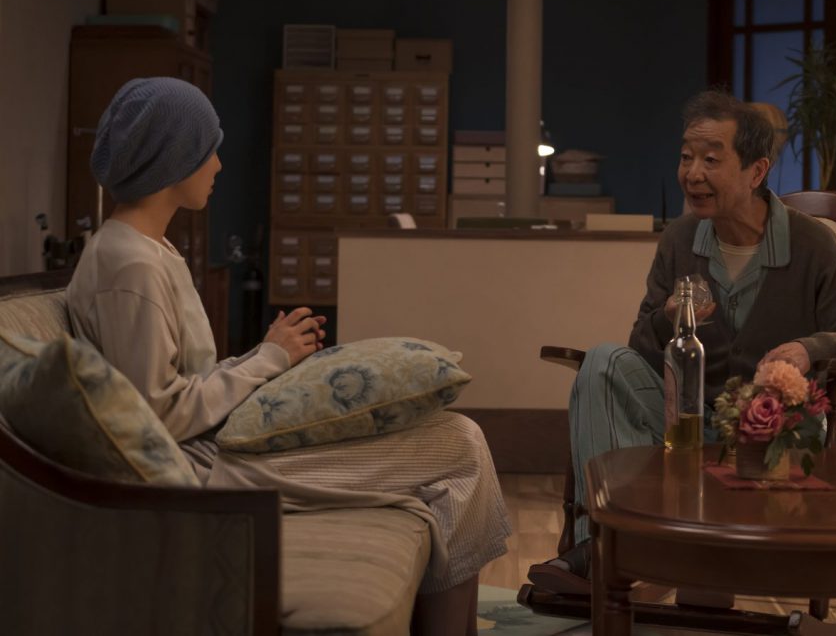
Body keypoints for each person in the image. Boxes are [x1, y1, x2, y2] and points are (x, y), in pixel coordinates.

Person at [67, 77, 511, 634]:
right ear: (174, 158)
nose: (219, 165)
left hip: (217, 446)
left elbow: (181, 383)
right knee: (460, 448)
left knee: (459, 439)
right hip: (204, 470)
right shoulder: (130, 266)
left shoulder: (148, 251)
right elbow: (158, 416)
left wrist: (266, 353)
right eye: (209, 149)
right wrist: (268, 360)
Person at [527, 90, 836, 601]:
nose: (692, 173)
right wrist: (668, 320)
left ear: (756, 171)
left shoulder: (813, 244)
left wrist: (810, 348)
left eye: (711, 159)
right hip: (684, 425)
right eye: (686, 157)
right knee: (604, 360)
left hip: (770, 438)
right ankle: (605, 548)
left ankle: (643, 557)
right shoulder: (681, 240)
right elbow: (641, 351)